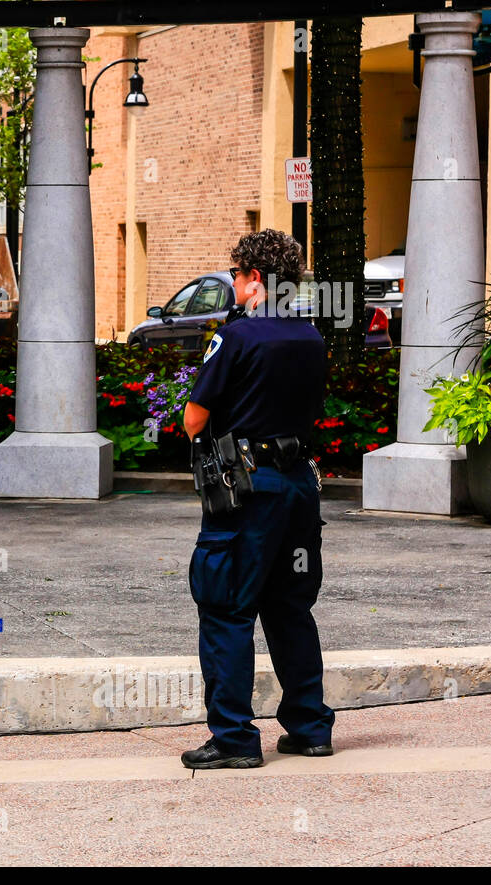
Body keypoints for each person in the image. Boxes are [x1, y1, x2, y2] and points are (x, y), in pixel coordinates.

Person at [180, 228, 336, 770]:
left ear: (251, 278)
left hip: (247, 489)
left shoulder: (237, 336)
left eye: (237, 276)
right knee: (291, 608)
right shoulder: (311, 336)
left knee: (226, 607)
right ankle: (311, 728)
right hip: (299, 488)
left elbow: (195, 418)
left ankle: (233, 739)